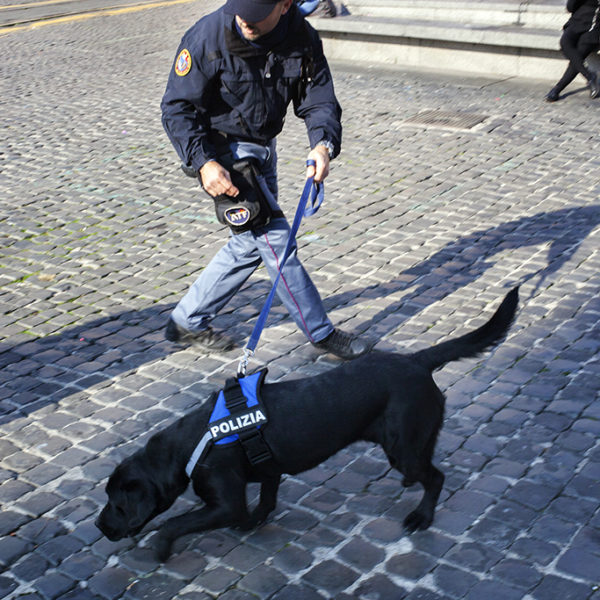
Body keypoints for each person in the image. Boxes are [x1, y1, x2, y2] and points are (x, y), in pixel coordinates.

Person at [160, 0, 369, 360]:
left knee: (246, 246)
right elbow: (177, 108)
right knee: (276, 243)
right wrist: (203, 163)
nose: (245, 20)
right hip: (224, 157)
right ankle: (321, 333)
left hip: (262, 149)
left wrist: (322, 145)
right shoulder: (208, 35)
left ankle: (186, 321)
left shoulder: (302, 37)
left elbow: (318, 98)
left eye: (256, 13)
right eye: (241, 9)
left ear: (285, 5)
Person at [545, 0, 600, 102]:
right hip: (576, 22)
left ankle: (557, 89)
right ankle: (589, 76)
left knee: (579, 53)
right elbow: (570, 7)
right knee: (565, 42)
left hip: (594, 27)